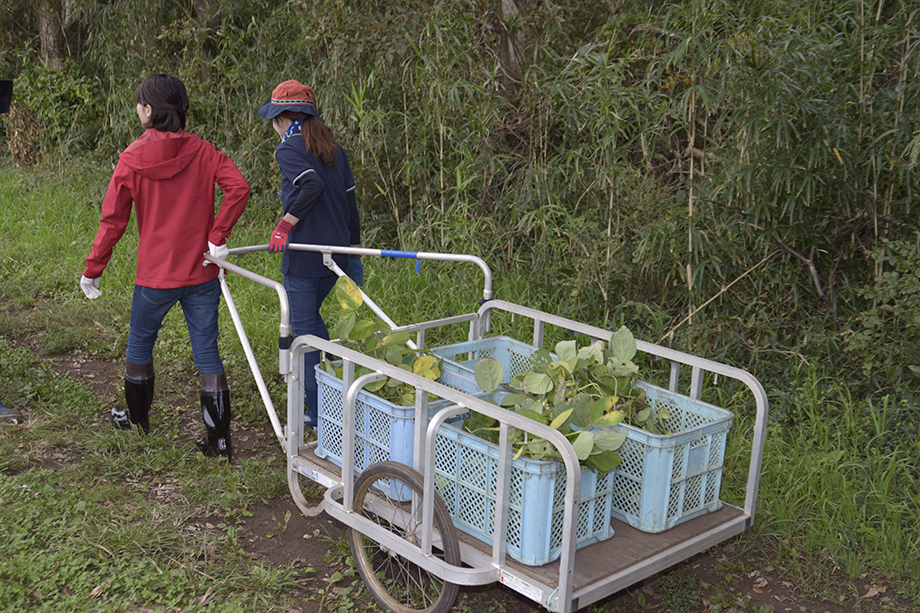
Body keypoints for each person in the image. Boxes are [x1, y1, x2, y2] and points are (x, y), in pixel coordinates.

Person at [81, 74, 250, 459]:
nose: (137, 109)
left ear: (149, 110)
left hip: (155, 276)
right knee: (207, 352)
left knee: (140, 345)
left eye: (140, 103)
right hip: (202, 272)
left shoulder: (131, 158)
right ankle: (219, 441)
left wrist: (94, 268)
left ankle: (137, 421)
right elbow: (239, 187)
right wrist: (217, 236)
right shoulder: (204, 152)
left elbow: (113, 221)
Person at [259, 80, 361, 427]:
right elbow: (350, 203)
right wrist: (355, 249)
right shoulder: (335, 149)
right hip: (338, 255)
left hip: (305, 256)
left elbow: (312, 185)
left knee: (303, 337)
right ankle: (334, 406)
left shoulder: (288, 150)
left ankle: (323, 418)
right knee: (315, 327)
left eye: (274, 121)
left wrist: (285, 224)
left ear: (282, 119)